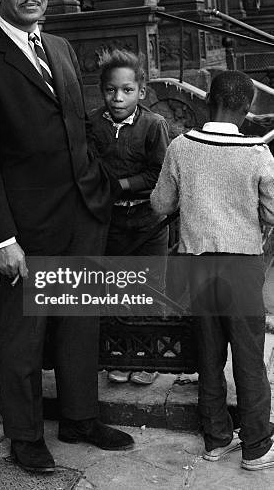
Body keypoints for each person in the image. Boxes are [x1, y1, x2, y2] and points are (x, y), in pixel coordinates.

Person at [0, 0, 133, 474]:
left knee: (80, 321)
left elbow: (76, 126)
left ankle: (79, 416)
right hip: (27, 228)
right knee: (24, 336)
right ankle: (25, 436)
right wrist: (2, 237)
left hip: (82, 211)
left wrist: (98, 187)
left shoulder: (60, 48)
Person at [150, 70, 274, 470]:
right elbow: (272, 211)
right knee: (249, 357)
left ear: (207, 101)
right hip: (242, 266)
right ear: (247, 109)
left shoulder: (181, 148)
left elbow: (161, 204)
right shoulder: (258, 153)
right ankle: (256, 446)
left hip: (197, 265)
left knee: (208, 354)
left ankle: (216, 439)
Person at [90, 49, 169, 386]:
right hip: (110, 224)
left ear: (141, 91)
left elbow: (160, 174)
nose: (118, 98)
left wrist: (120, 185)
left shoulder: (153, 125)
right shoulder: (93, 124)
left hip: (148, 223)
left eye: (126, 90)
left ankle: (148, 357)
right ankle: (122, 355)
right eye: (111, 90)